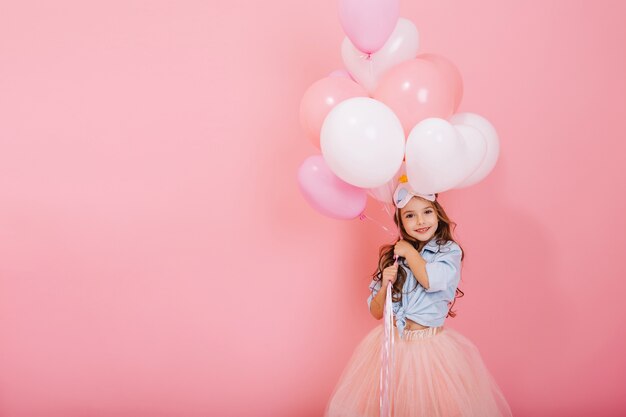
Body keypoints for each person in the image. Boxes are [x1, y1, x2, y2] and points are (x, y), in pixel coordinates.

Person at [324, 177, 513, 417]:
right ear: (401, 222)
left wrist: (410, 253)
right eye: (410, 215)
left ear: (438, 215)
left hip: (429, 347)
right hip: (391, 346)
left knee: (427, 405)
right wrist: (385, 284)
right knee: (394, 405)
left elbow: (429, 279)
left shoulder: (447, 251)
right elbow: (376, 311)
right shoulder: (394, 257)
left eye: (427, 212)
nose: (421, 221)